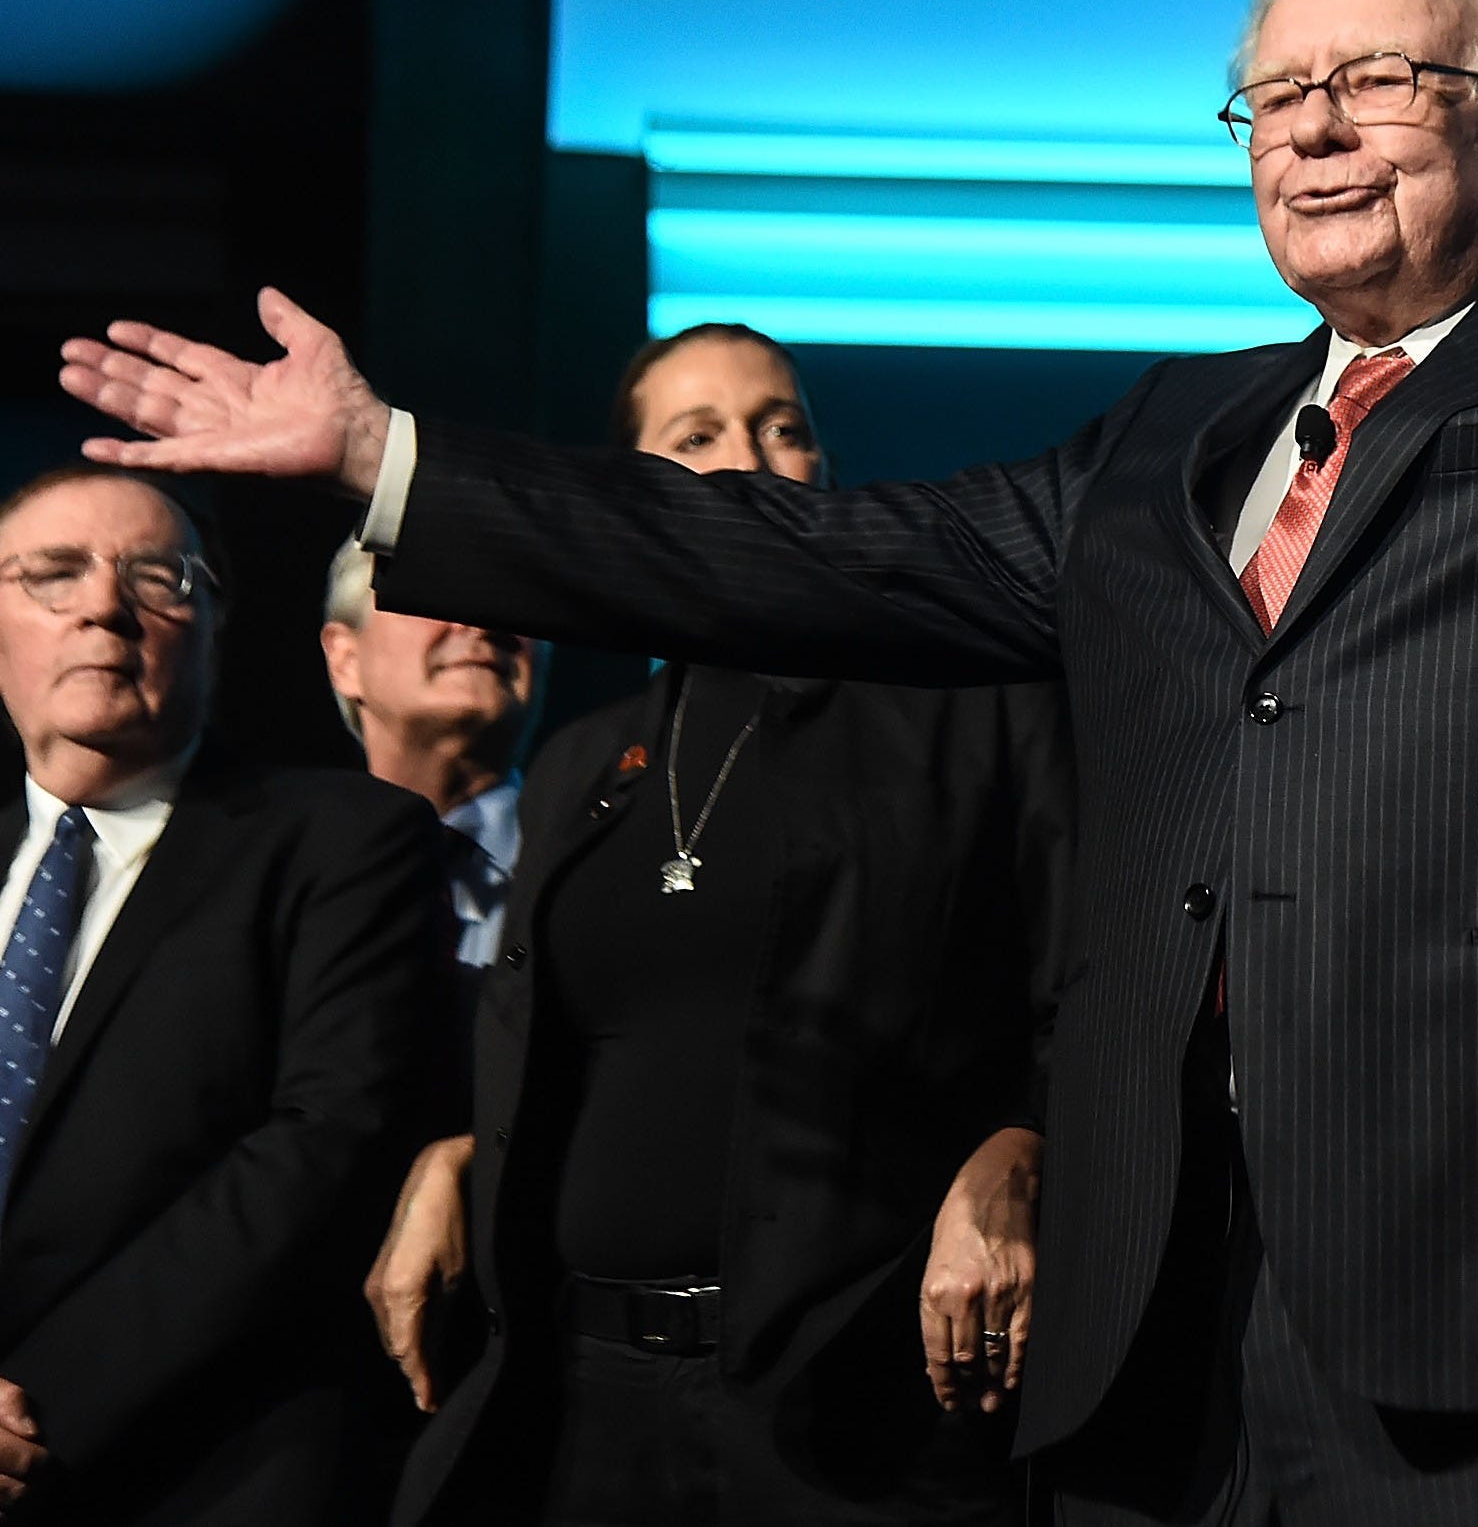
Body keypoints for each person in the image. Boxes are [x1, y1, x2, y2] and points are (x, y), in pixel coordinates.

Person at [59, 0, 1478, 1524]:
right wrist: (383, 456)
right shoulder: (1164, 443)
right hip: (1154, 1337)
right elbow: (795, 549)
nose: (1315, 131)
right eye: (1277, 93)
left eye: (1377, 86)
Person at [363, 321, 1074, 1527]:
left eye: (779, 425)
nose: (747, 455)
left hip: (860, 1412)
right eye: (696, 435)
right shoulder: (583, 760)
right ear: (629, 493)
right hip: (583, 1401)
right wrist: (457, 1157)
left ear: (825, 469)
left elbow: (1098, 978)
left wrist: (1025, 1146)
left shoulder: (977, 702)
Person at [0, 468, 449, 1524]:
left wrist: (33, 1412)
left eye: (156, 576)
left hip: (197, 1467)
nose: (103, 606)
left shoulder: (346, 839)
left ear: (213, 622)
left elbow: (319, 1150)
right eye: (53, 574)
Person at [321, 536, 546, 972]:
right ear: (346, 660)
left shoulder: (604, 872)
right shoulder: (281, 881)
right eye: (439, 591)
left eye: (519, 601)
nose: (483, 623)